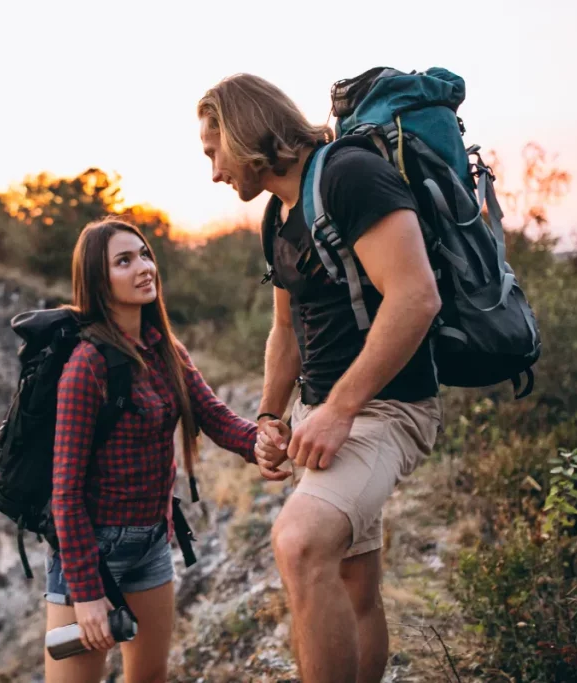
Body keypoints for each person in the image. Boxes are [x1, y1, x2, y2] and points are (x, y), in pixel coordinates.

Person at [198, 74, 445, 683]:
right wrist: (269, 417)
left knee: (300, 543)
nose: (213, 173)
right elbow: (286, 331)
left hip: (386, 410)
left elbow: (415, 297)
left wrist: (338, 410)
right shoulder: (279, 213)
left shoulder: (348, 176)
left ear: (243, 133)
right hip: (325, 413)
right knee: (351, 584)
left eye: (213, 152)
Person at [44, 218, 291, 683]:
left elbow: (214, 416)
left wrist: (259, 444)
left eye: (144, 255)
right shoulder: (85, 368)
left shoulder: (165, 349)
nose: (144, 267)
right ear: (99, 281)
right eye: (124, 260)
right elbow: (65, 491)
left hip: (151, 543)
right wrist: (87, 591)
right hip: (90, 549)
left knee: (151, 677)